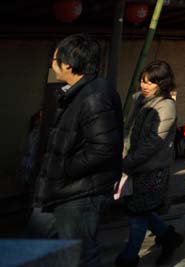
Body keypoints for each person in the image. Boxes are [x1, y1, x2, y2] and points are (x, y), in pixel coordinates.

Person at [35, 34, 122, 267]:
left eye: (54, 59)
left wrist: (66, 168)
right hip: (63, 190)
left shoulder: (94, 95)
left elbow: (104, 147)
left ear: (68, 65)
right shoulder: (81, 91)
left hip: (80, 193)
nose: (51, 64)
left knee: (81, 255)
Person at [116, 61, 183, 267]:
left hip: (153, 168)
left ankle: (129, 257)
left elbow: (154, 143)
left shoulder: (166, 105)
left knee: (138, 213)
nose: (144, 86)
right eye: (143, 81)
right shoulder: (139, 100)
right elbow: (128, 130)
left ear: (161, 83)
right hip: (133, 164)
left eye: (150, 82)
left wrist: (127, 162)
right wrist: (123, 155)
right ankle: (168, 237)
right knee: (140, 210)